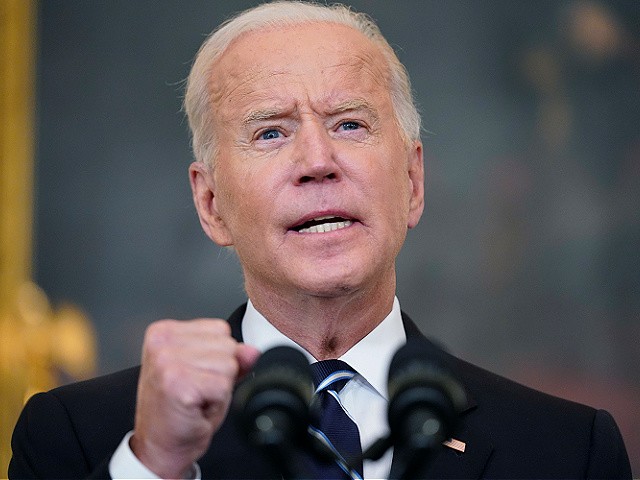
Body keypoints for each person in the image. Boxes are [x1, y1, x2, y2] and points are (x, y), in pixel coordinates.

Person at [9, 1, 631, 479]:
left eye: (350, 124)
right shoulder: (85, 436)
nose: (318, 160)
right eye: (272, 133)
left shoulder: (567, 450)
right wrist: (158, 464)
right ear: (211, 202)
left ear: (412, 182)